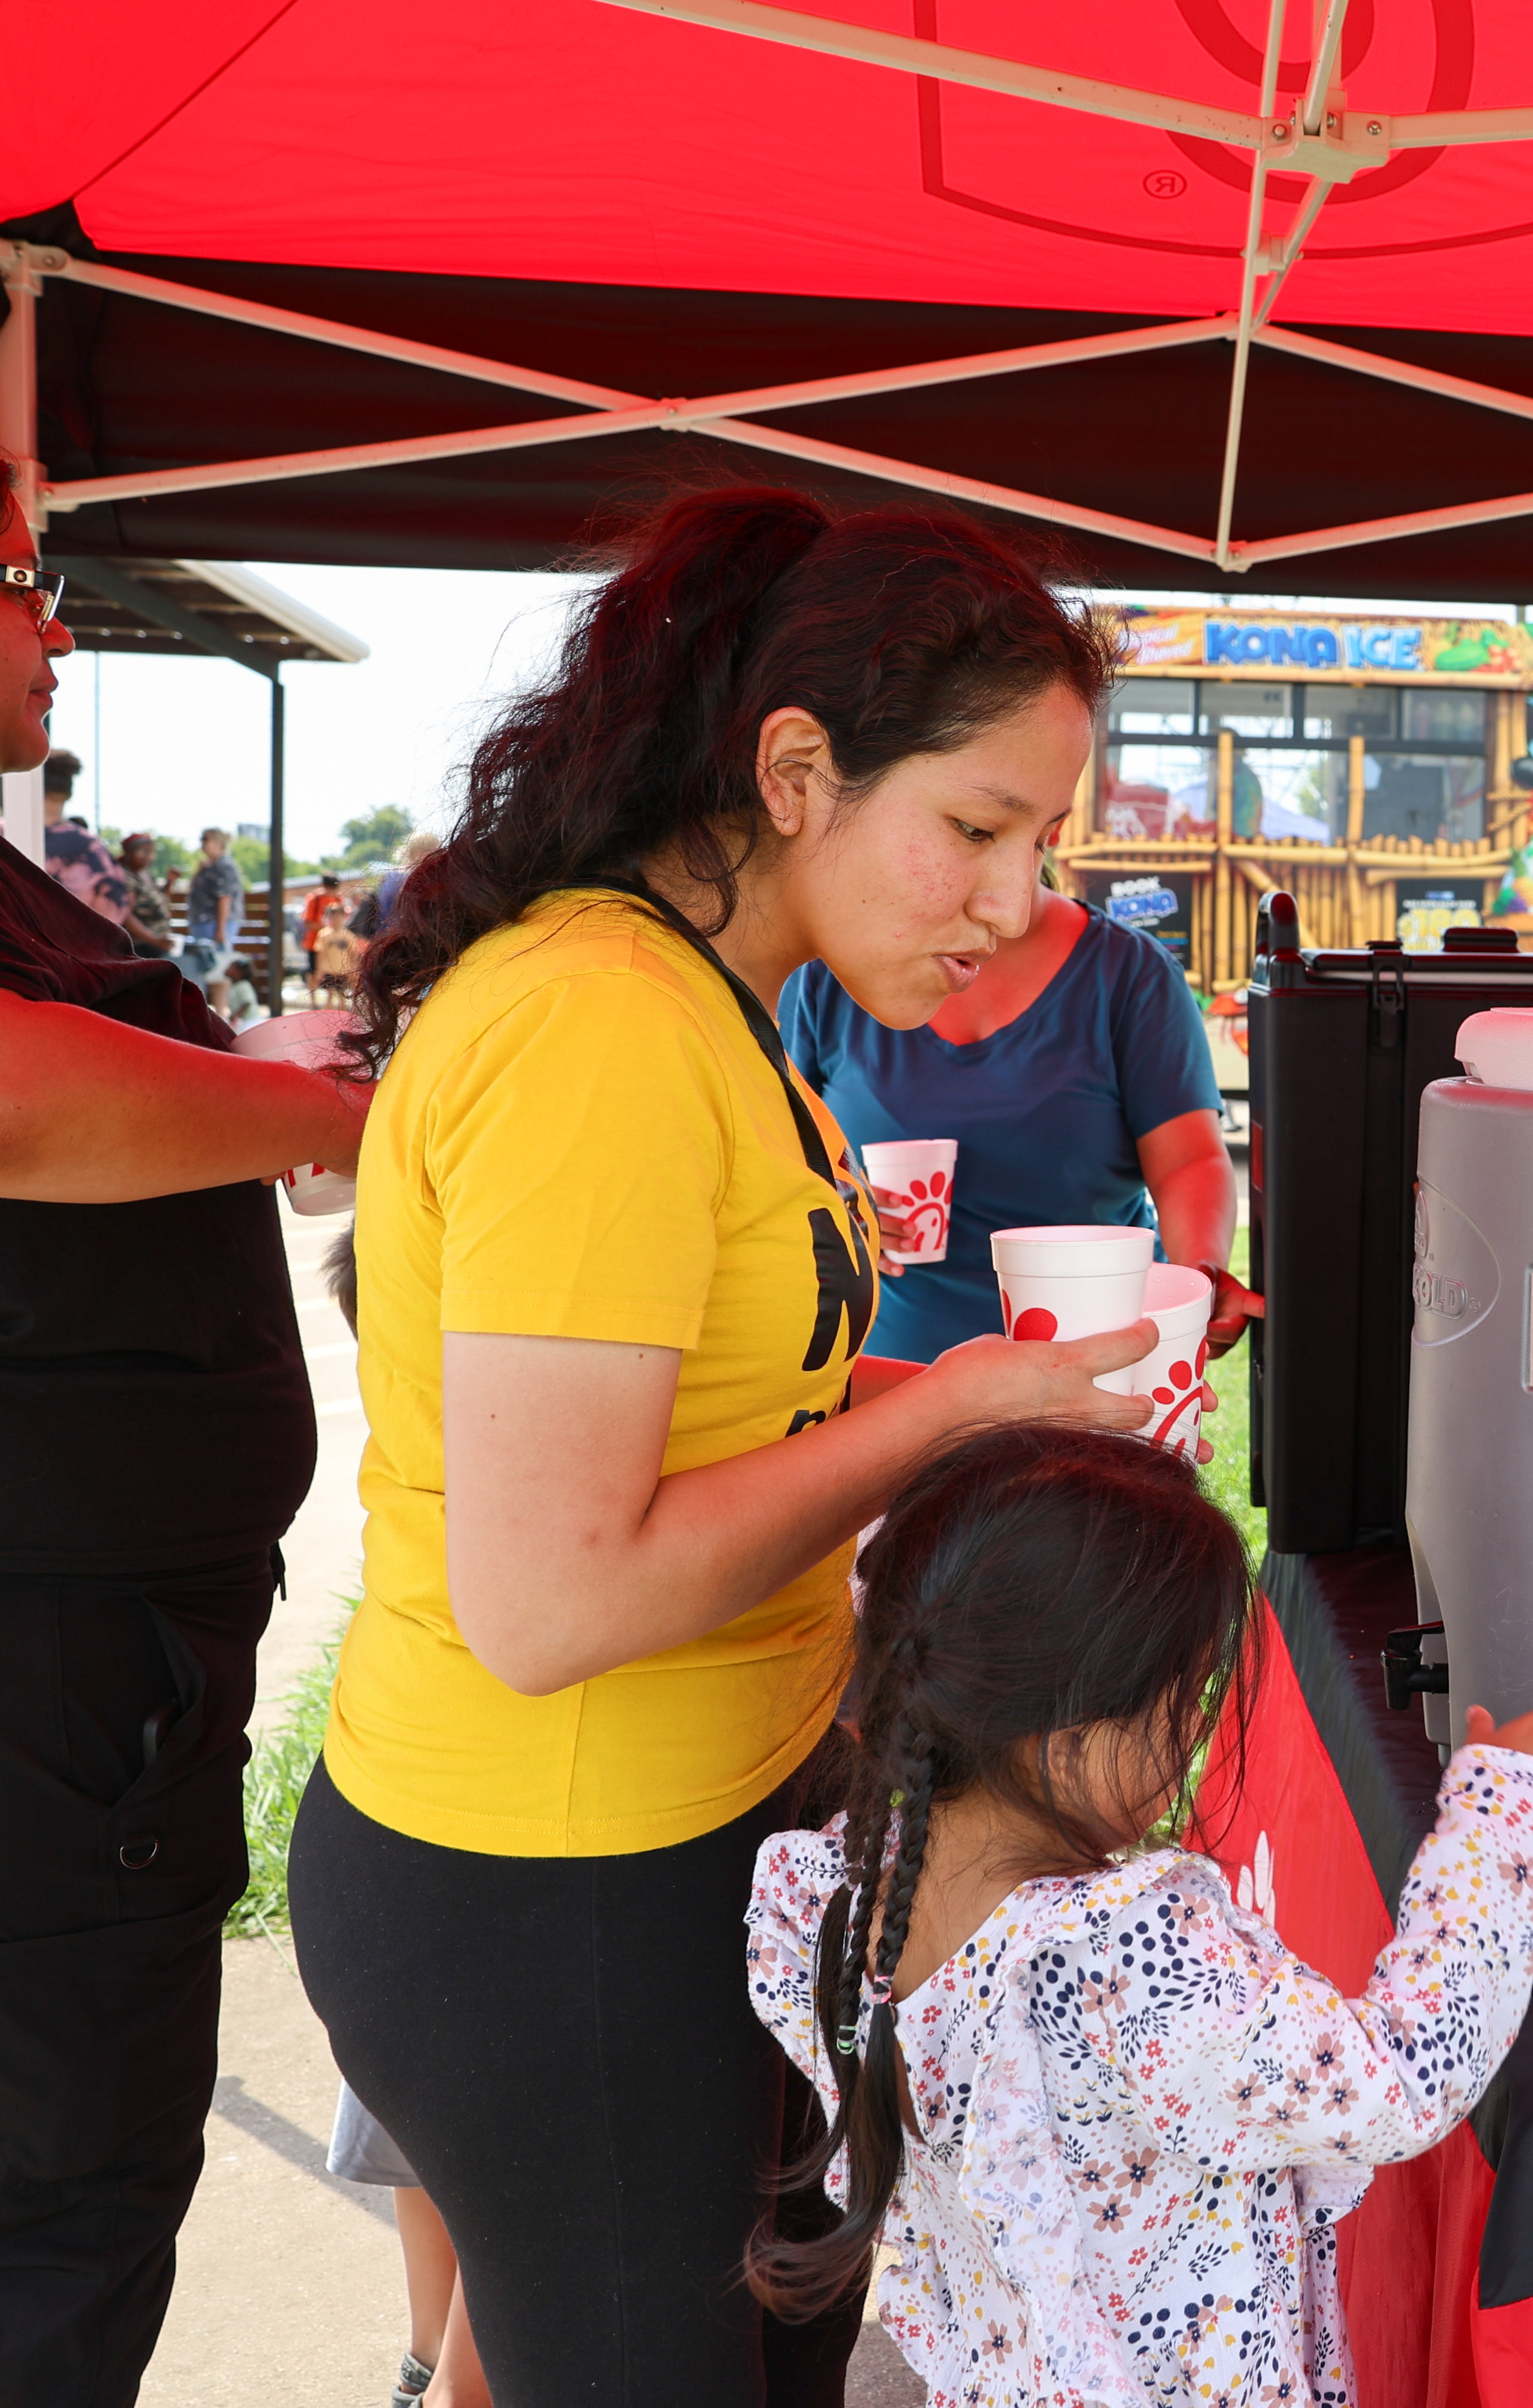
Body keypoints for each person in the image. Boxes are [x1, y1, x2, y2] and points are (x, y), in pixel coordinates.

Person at [284, 484, 1177, 2402]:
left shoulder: (724, 1009)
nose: (1020, 904)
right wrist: (945, 1407)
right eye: (979, 829)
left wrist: (994, 1408)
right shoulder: (599, 1023)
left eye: (1043, 843)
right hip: (554, 1880)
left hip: (703, 1831)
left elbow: (726, 1406)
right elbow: (552, 1594)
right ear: (793, 768)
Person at [744, 1421, 1533, 2401]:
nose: (1201, 1725)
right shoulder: (1121, 1956)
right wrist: (1500, 1825)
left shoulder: (821, 1898)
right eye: (1190, 1697)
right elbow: (1391, 2083)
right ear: (1066, 1747)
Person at [0, 487, 367, 2405]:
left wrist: (246, 1082)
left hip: (89, 1667)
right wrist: (319, 1122)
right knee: (59, 2202)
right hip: (49, 1691)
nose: (56, 630)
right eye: (23, 579)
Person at [783, 870, 1253, 1368]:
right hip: (886, 1380)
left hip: (1094, 1373)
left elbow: (1189, 1161)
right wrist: (842, 1204)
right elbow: (781, 1155)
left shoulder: (1131, 972)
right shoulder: (826, 973)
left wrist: (1198, 1280)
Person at [312, 1231, 492, 2408]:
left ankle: (427, 2365)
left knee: (432, 2142)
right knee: (509, 2183)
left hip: (391, 1825)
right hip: (492, 1859)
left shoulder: (421, 1468)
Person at [185, 827, 244, 982]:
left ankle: (220, 1005)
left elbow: (225, 898)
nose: (202, 843)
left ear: (219, 843)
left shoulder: (223, 866)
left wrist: (221, 929)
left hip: (214, 923)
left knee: (218, 968)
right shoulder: (209, 865)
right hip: (203, 923)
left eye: (206, 839)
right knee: (208, 968)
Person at [114, 833, 177, 961]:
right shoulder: (124, 877)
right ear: (128, 852)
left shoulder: (144, 872)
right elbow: (125, 915)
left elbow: (159, 900)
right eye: (142, 851)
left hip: (157, 942)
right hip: (141, 945)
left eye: (151, 852)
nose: (148, 857)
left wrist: (170, 882)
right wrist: (153, 940)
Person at [299, 868, 348, 999]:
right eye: (330, 888)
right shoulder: (314, 899)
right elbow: (307, 922)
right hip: (315, 943)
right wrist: (326, 930)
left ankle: (333, 1001)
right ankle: (313, 999)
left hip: (333, 944)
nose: (332, 892)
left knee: (334, 973)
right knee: (314, 971)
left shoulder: (339, 899)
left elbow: (344, 918)